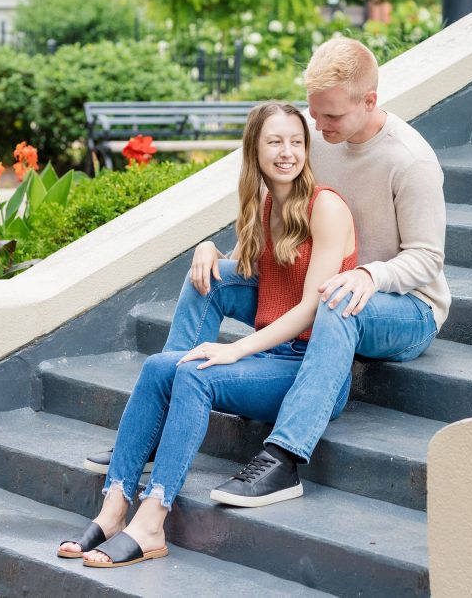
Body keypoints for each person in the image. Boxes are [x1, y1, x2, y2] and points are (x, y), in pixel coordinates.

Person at [84, 36, 450, 508]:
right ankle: (162, 411)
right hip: (318, 279)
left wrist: (370, 276)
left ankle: (284, 457)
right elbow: (280, 215)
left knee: (335, 299)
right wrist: (214, 252)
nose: (316, 127)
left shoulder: (410, 161)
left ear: (370, 101)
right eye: (313, 114)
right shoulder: (317, 136)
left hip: (403, 308)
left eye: (330, 116)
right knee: (211, 278)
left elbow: (427, 259)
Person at [57, 100, 357, 567]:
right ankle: (114, 507)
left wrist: (234, 349)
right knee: (162, 366)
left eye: (297, 142)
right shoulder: (265, 204)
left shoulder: (327, 207)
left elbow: (309, 309)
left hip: (310, 373)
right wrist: (207, 248)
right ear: (254, 149)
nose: (287, 152)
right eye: (275, 142)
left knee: (193, 374)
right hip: (272, 361)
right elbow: (242, 266)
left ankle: (153, 519)